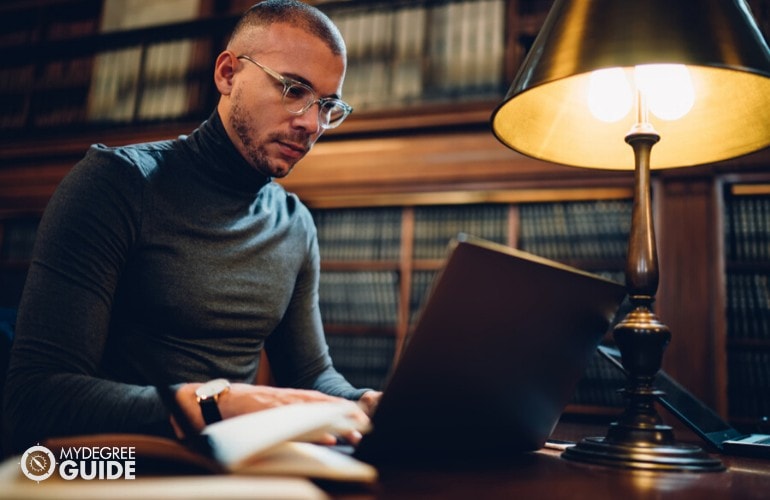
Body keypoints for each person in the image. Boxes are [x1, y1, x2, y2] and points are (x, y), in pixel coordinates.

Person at [3, 0, 381, 455]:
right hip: (105, 463)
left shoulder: (294, 224)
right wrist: (215, 403)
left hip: (225, 465)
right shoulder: (116, 183)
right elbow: (34, 398)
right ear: (227, 74)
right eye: (293, 89)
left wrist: (366, 402)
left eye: (327, 105)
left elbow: (311, 377)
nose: (310, 123)